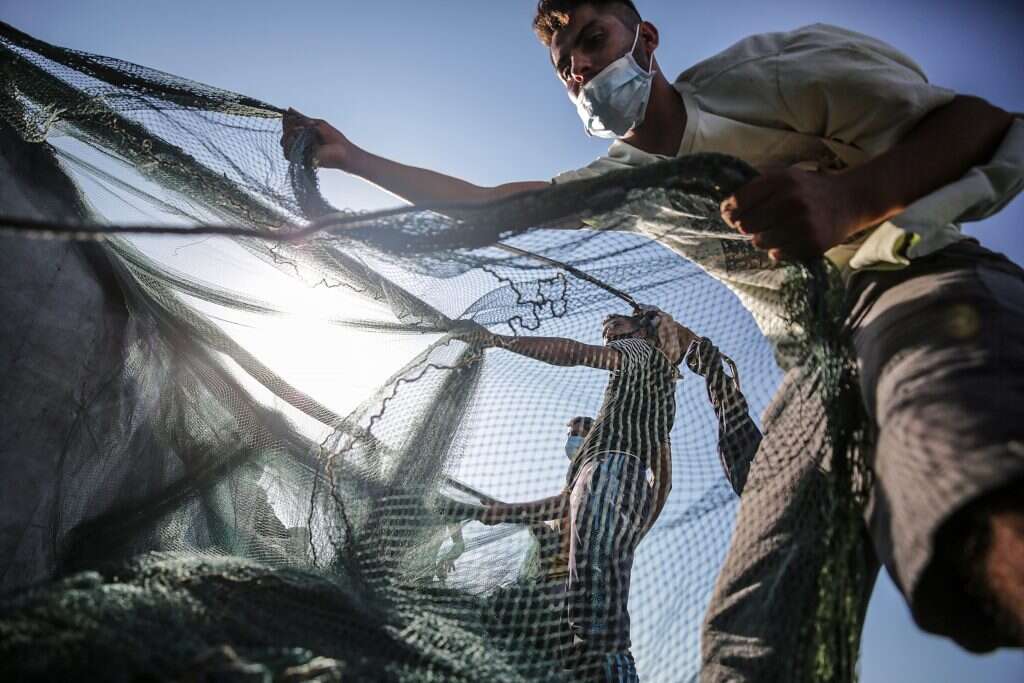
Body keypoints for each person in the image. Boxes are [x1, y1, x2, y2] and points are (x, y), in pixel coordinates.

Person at [281, 0, 1024, 676]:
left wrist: (847, 198)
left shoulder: (763, 77)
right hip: (812, 368)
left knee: (958, 457)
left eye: (593, 40)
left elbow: (982, 123)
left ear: (646, 39)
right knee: (747, 636)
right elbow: (491, 206)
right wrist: (352, 161)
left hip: (906, 284)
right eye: (566, 66)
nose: (581, 67)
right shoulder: (622, 184)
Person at [454, 308, 695, 681]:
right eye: (606, 329)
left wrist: (497, 340)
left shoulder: (638, 352)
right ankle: (602, 664)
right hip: (613, 480)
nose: (608, 332)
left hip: (610, 475)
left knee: (595, 612)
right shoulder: (650, 393)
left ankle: (602, 667)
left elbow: (575, 353)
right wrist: (637, 525)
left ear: (642, 331)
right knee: (596, 603)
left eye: (616, 324)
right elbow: (659, 478)